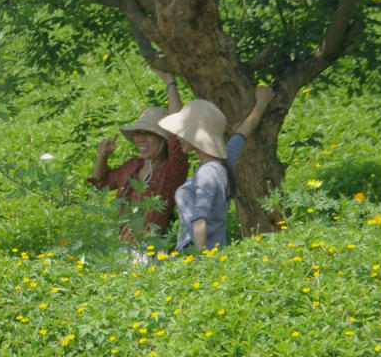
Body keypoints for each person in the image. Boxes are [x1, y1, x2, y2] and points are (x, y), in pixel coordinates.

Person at [158, 84, 274, 252]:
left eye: (183, 132)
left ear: (196, 136)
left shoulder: (207, 174)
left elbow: (199, 219)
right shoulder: (224, 162)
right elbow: (242, 135)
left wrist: (199, 260)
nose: (179, 137)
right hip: (216, 251)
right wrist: (260, 105)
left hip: (197, 254)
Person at [89, 68, 189, 249]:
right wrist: (102, 156)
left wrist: (169, 81)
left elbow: (178, 130)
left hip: (151, 251)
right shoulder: (133, 166)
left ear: (163, 140)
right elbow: (100, 184)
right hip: (121, 250)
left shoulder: (172, 170)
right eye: (138, 133)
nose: (139, 139)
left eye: (148, 134)